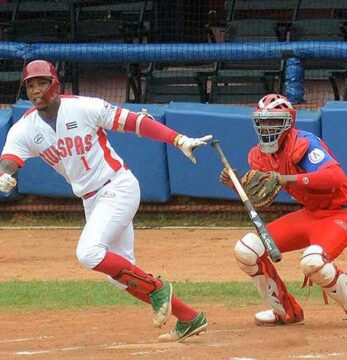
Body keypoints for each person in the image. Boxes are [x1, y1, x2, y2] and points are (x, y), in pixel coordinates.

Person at [0, 59, 211, 342]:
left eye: (42, 82)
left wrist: (178, 140)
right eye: (30, 85)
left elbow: (135, 123)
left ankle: (158, 288)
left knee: (88, 253)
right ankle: (188, 317)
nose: (36, 90)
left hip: (117, 187)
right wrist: (6, 174)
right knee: (119, 273)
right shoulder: (25, 128)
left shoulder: (84, 107)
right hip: (91, 200)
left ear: (55, 84)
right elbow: (10, 159)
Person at [219, 93, 347, 328]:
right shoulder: (258, 156)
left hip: (343, 211)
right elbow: (262, 197)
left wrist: (286, 179)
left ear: (288, 122)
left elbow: (334, 177)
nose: (267, 127)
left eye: (273, 121)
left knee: (313, 262)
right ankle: (285, 310)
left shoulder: (303, 143)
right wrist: (237, 185)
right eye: (262, 121)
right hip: (311, 213)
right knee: (247, 250)